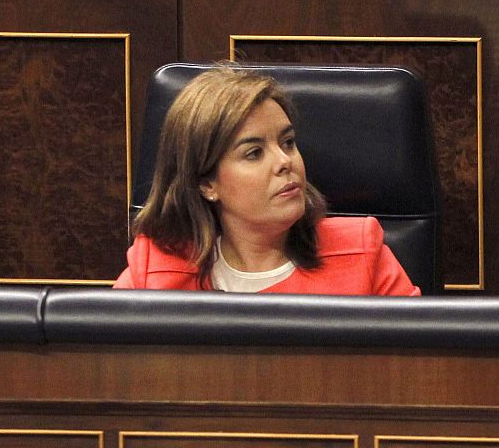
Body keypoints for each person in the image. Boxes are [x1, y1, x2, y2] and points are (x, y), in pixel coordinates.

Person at [116, 65, 419, 295]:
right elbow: (103, 367)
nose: (285, 162)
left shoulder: (361, 253)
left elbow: (423, 368)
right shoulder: (154, 270)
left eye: (287, 143)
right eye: (254, 153)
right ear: (207, 184)